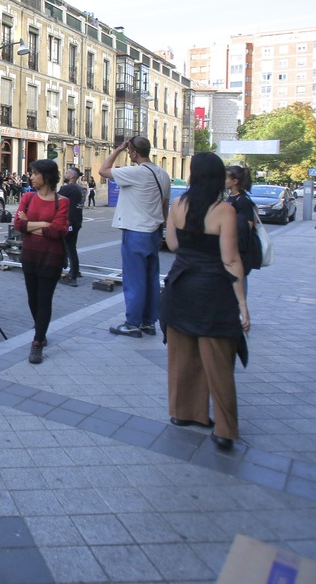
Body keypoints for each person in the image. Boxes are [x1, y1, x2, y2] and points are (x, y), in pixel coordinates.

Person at [159, 151, 250, 451]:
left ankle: (184, 413)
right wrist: (242, 304)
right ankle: (224, 430)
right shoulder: (224, 210)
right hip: (212, 290)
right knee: (219, 361)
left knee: (182, 356)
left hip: (180, 286)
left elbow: (172, 244)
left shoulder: (177, 205)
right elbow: (231, 259)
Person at [100, 136, 170, 338]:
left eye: (129, 150)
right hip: (154, 230)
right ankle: (149, 322)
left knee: (134, 280)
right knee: (151, 279)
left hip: (136, 231)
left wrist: (118, 149)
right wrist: (161, 227)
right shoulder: (162, 174)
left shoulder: (136, 172)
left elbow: (103, 170)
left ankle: (132, 323)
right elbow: (165, 203)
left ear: (133, 152)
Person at [14, 159, 70, 364]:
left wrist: (30, 224)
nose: (31, 176)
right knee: (32, 298)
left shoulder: (62, 201)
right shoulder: (28, 197)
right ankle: (41, 328)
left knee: (45, 299)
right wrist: (43, 225)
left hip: (51, 258)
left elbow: (57, 230)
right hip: (30, 255)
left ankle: (37, 342)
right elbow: (18, 224)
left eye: (34, 173)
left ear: (46, 176)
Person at [225, 164, 259, 294]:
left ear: (235, 181)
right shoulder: (231, 197)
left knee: (239, 277)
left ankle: (239, 308)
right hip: (233, 245)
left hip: (240, 248)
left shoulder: (243, 200)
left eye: (226, 178)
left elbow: (248, 225)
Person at [58, 167, 85, 286]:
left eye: (67, 173)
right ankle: (75, 271)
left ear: (73, 177)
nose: (65, 174)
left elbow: (54, 199)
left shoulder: (68, 188)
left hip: (69, 222)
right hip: (77, 221)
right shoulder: (80, 188)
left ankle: (72, 276)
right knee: (71, 247)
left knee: (67, 248)